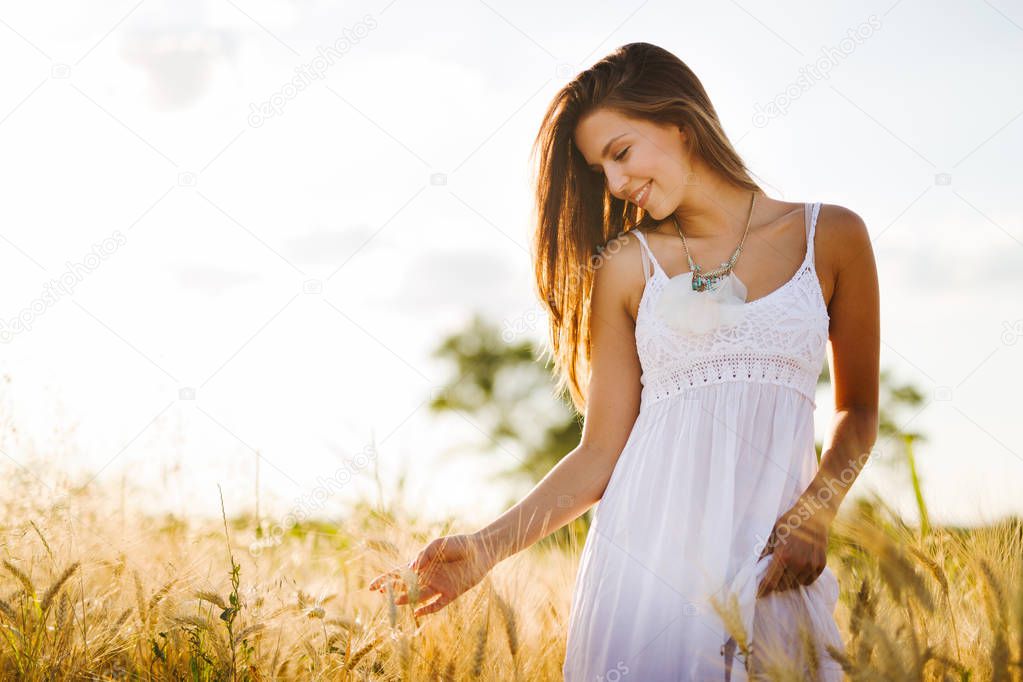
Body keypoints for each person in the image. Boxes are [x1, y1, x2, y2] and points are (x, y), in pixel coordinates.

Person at [369, 41, 879, 680]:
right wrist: (482, 550)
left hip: (775, 573)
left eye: (621, 153)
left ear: (680, 122)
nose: (614, 184)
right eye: (599, 169)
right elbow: (599, 454)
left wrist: (817, 510)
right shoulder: (625, 267)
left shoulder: (830, 236)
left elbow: (858, 410)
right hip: (646, 573)